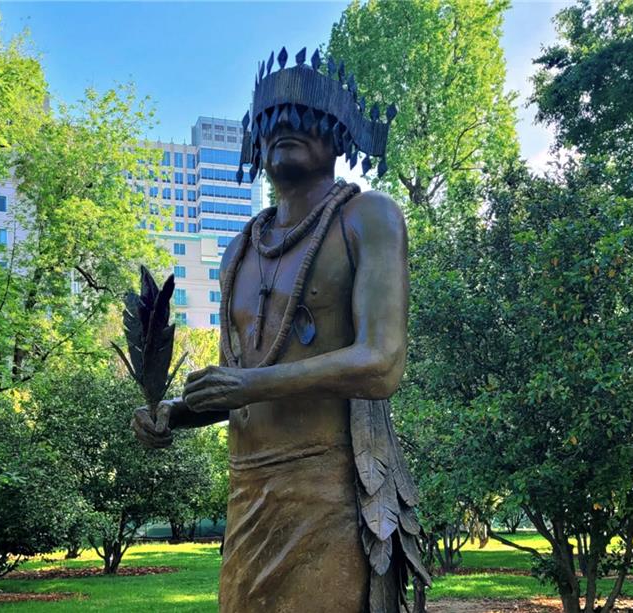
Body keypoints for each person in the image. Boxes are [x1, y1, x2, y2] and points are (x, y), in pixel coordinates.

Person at [132, 47, 430, 612]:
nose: (286, 128)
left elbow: (383, 362)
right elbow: (236, 382)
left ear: (339, 135)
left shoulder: (369, 218)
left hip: (333, 488)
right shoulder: (240, 249)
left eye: (304, 116)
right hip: (248, 497)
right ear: (255, 141)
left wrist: (252, 387)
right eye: (273, 120)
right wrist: (175, 410)